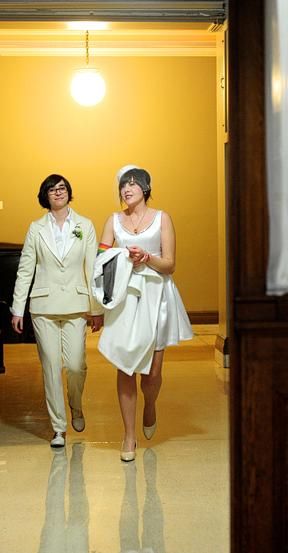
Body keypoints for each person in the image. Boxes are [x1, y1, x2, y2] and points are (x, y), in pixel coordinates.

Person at [93, 165, 193, 461]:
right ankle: (128, 435)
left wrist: (146, 258)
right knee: (125, 367)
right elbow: (101, 262)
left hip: (157, 296)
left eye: (134, 184)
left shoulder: (162, 218)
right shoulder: (113, 221)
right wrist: (123, 257)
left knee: (152, 374)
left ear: (145, 189)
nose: (128, 188)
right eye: (124, 184)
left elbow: (170, 265)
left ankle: (150, 405)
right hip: (125, 297)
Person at [11, 174, 104, 448]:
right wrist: (18, 308)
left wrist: (96, 308)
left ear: (68, 192)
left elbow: (92, 268)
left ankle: (75, 405)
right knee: (51, 367)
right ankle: (59, 428)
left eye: (62, 188)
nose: (58, 192)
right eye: (52, 190)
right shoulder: (35, 228)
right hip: (43, 306)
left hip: (76, 305)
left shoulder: (84, 225)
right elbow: (25, 269)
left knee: (75, 365)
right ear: (46, 196)